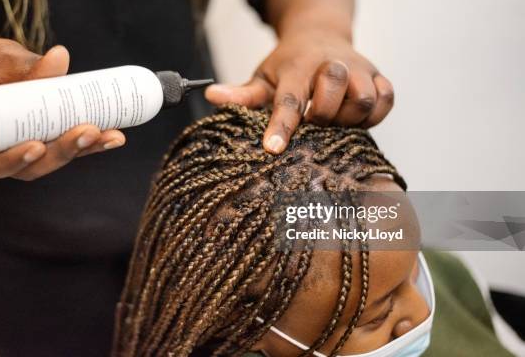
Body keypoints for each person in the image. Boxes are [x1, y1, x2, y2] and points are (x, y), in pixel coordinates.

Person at [0, 0, 394, 355]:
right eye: (387, 309)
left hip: (201, 204)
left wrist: (318, 26)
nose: (414, 319)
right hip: (13, 235)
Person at [113, 105, 513, 356]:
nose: (422, 310)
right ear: (251, 334)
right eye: (374, 318)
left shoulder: (449, 281)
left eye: (413, 267)